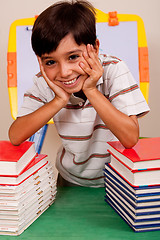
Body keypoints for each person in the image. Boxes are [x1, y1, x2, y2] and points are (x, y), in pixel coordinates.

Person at [9, 0, 150, 187]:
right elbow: (15, 136)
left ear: (95, 48)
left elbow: (130, 138)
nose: (64, 71)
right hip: (69, 180)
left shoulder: (114, 70)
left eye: (73, 57)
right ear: (40, 61)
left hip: (119, 178)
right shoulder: (44, 83)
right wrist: (59, 100)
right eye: (50, 62)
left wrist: (90, 90)